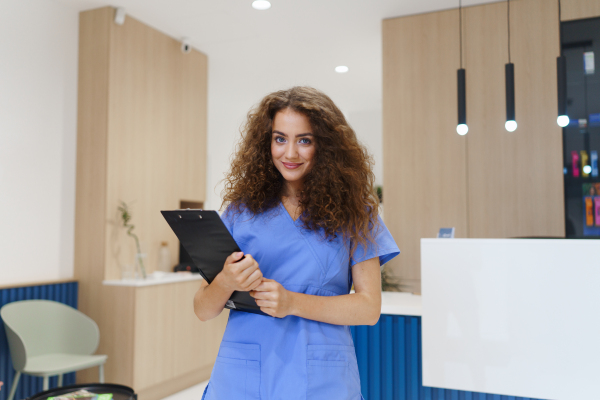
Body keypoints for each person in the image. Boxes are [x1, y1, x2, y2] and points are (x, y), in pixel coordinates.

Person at [194, 86, 399, 400]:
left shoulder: (358, 215)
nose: (289, 153)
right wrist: (225, 281)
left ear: (327, 146)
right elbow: (203, 309)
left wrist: (291, 303)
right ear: (267, 143)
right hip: (243, 377)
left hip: (320, 379)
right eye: (280, 138)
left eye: (305, 140)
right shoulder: (240, 212)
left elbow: (369, 309)